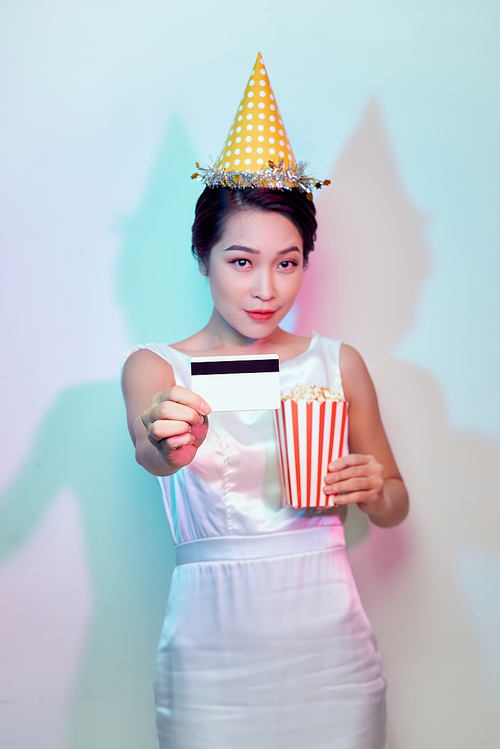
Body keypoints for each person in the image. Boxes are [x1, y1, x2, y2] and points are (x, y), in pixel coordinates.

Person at [122, 54, 408, 749]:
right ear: (204, 258)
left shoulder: (338, 362)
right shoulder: (157, 367)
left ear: (307, 260)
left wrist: (376, 487)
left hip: (331, 649)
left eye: (287, 262)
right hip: (209, 655)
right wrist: (166, 439)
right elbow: (151, 452)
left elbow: (396, 503)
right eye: (241, 260)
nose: (266, 288)